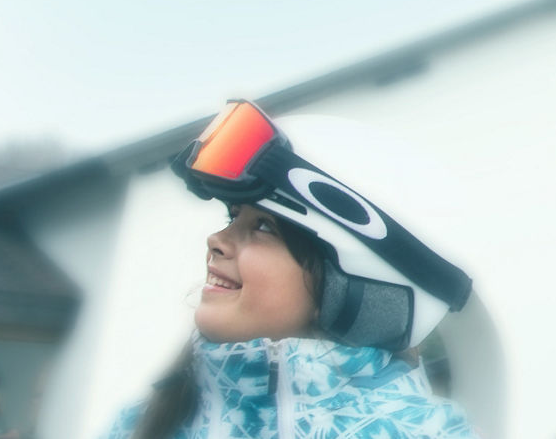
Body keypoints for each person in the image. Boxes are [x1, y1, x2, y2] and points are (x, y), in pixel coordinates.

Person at [107, 101, 477, 439]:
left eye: (264, 227)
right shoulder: (139, 425)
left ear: (352, 290)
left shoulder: (425, 434)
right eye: (232, 216)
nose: (216, 239)